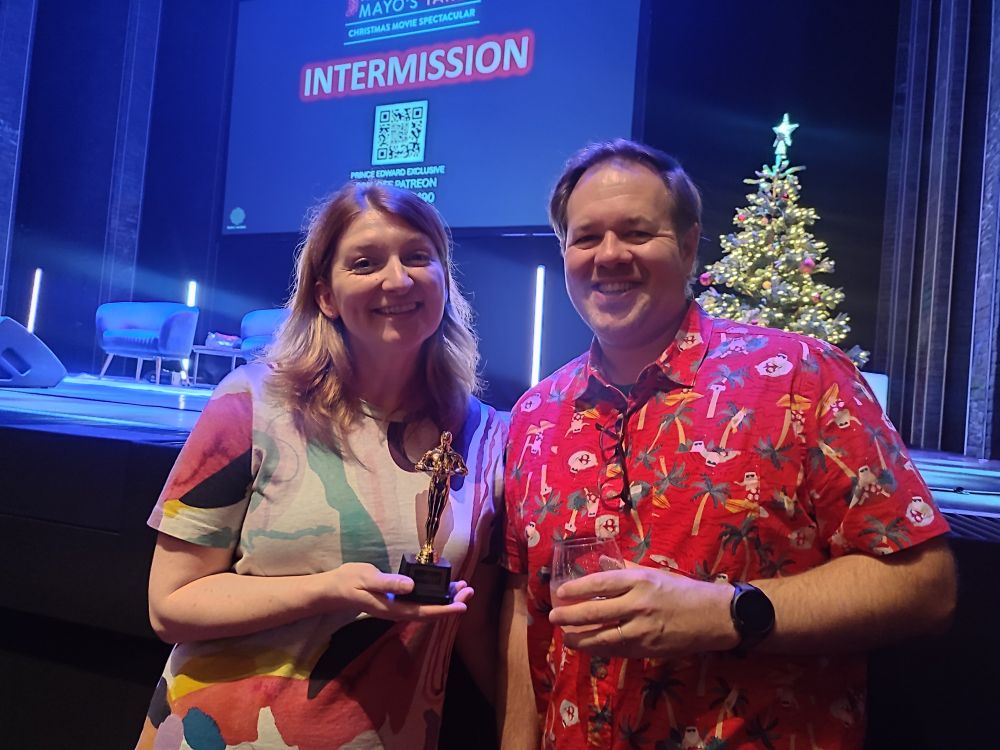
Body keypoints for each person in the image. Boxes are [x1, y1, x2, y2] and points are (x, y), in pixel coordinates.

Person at [498, 139, 956, 749]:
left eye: (637, 232)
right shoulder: (535, 414)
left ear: (688, 246)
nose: (609, 255)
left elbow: (926, 584)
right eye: (586, 238)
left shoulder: (800, 374)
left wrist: (724, 612)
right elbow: (526, 618)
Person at [136, 181, 507, 750]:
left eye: (417, 257)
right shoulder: (251, 404)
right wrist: (330, 589)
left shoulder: (485, 435)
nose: (397, 280)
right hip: (222, 735)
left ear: (444, 279)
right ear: (326, 295)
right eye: (364, 263)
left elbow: (475, 625)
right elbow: (171, 605)